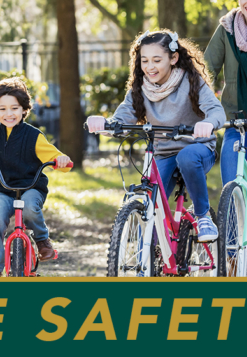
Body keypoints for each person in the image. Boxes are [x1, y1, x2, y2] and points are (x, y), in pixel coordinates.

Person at [87, 30, 226, 242]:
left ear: (173, 58)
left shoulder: (191, 81)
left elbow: (216, 111)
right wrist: (105, 124)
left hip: (197, 148)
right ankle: (153, 251)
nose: (150, 67)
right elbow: (124, 118)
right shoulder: (141, 88)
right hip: (163, 152)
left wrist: (208, 123)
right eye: (145, 60)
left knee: (187, 157)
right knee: (150, 200)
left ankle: (203, 216)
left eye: (157, 60)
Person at [0, 77, 72, 277]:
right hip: (4, 190)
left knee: (30, 208)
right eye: (3, 109)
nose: (9, 114)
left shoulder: (33, 136)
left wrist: (61, 159)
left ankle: (42, 240)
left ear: (24, 110)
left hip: (31, 187)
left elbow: (52, 154)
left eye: (14, 108)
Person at [204, 0, 247, 186]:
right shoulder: (227, 28)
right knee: (231, 186)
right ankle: (237, 218)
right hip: (238, 118)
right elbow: (205, 70)